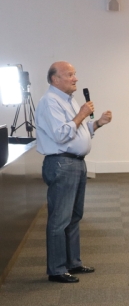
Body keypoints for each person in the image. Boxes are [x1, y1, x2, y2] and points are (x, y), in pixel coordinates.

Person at [36, 61, 113, 283]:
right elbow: (62, 134)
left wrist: (97, 123)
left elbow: (78, 130)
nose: (75, 78)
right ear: (55, 79)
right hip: (62, 164)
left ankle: (73, 263)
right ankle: (57, 269)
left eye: (75, 74)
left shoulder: (68, 100)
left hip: (75, 163)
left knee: (74, 217)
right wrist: (81, 113)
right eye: (69, 74)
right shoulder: (50, 102)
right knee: (60, 219)